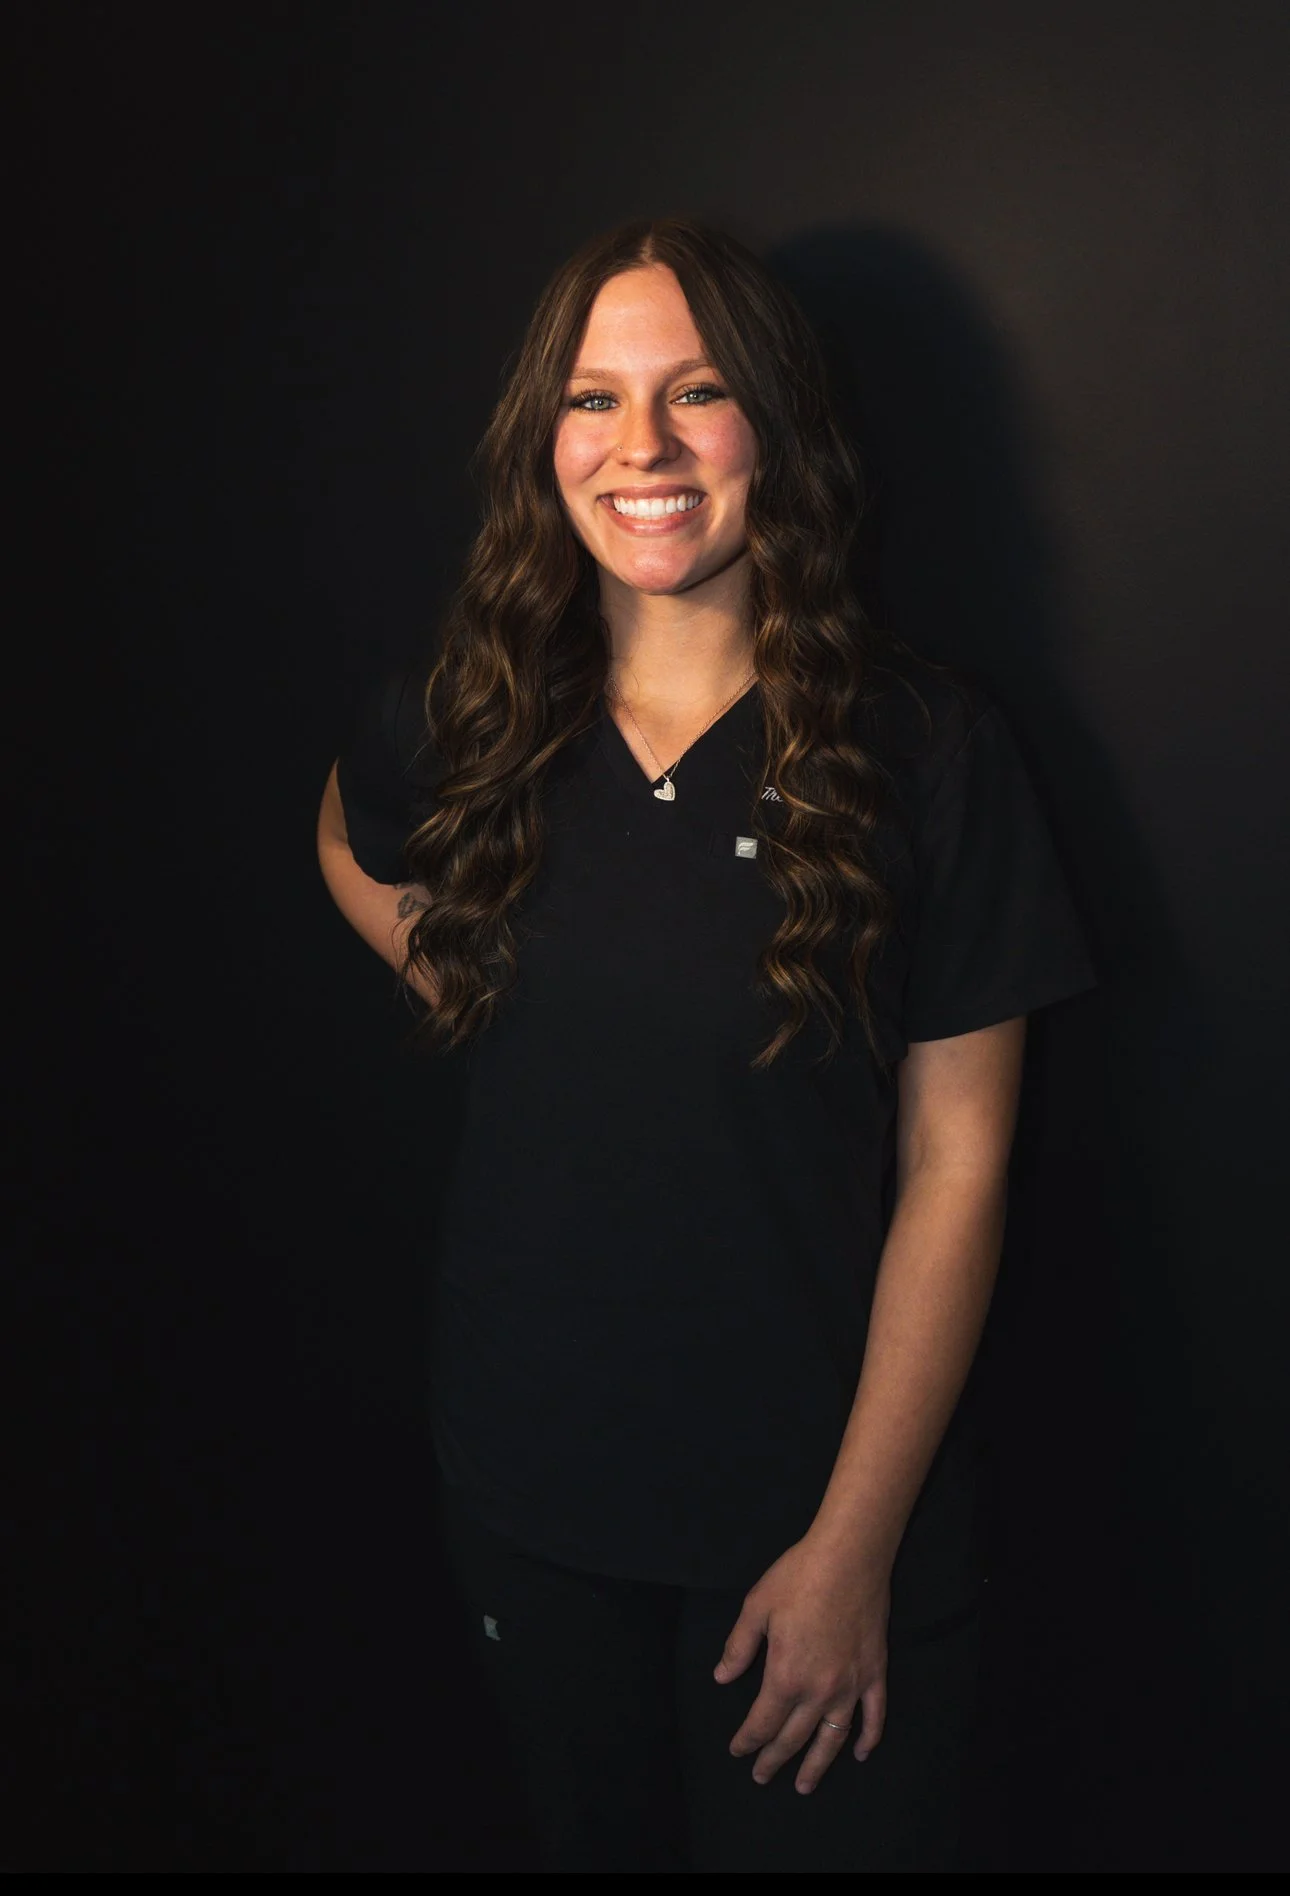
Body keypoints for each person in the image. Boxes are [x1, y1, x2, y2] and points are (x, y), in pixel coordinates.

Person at [316, 216, 1097, 1874]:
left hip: (809, 1524)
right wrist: (474, 977)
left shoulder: (925, 749)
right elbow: (348, 837)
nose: (642, 449)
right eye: (594, 401)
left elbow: (957, 1169)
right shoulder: (471, 711)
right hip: (531, 1497)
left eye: (697, 394)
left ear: (779, 430)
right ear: (547, 442)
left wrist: (851, 1549)